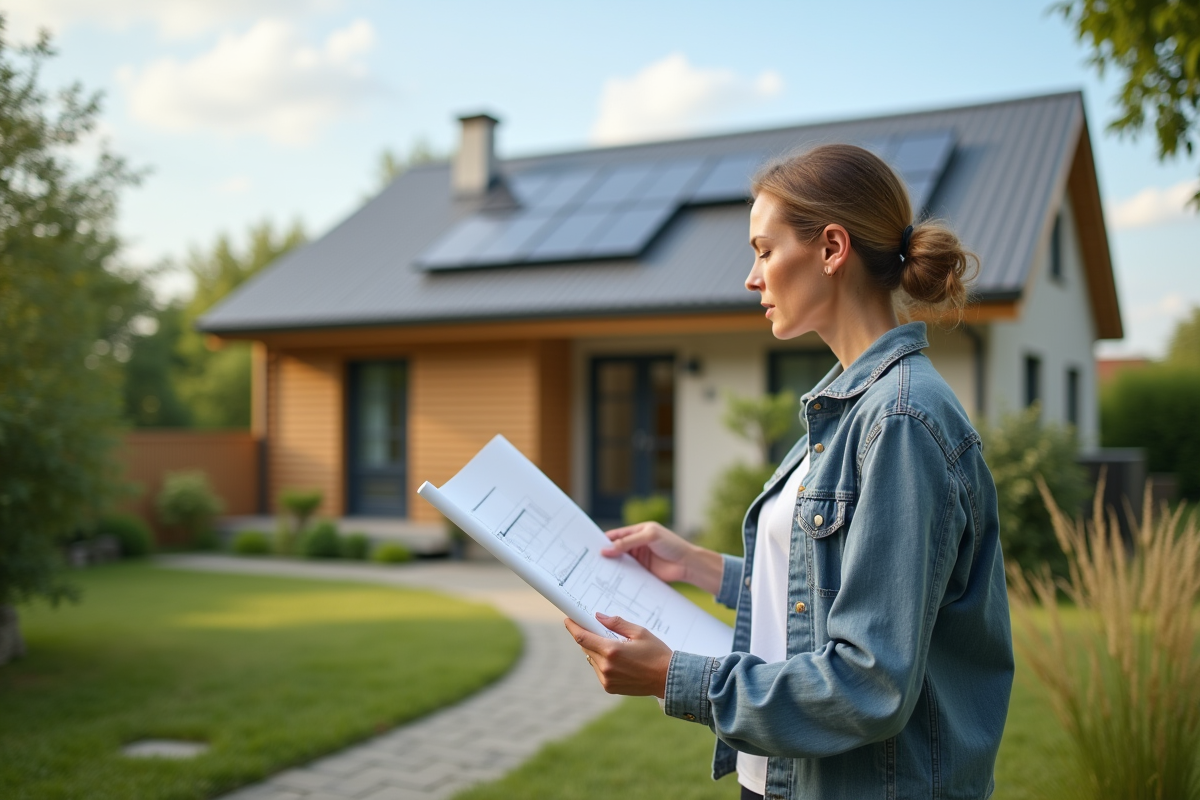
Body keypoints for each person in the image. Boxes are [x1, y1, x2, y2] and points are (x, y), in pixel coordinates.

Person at [565, 143, 1014, 800]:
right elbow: (832, 588)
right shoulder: (848, 406)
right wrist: (696, 565)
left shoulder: (899, 422)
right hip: (786, 778)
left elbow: (871, 680)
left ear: (832, 249)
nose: (752, 277)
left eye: (764, 250)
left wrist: (675, 678)